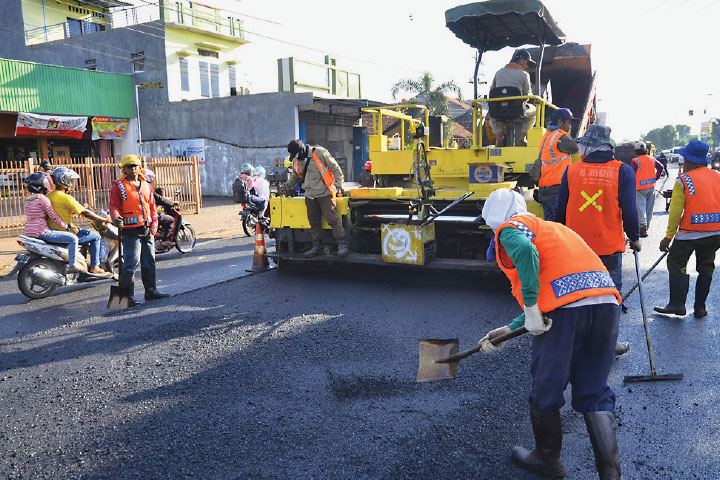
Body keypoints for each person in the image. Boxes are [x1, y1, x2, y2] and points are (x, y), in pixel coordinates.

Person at [478, 188, 622, 480]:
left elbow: (526, 253)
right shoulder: (554, 229)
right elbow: (556, 287)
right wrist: (511, 327)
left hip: (568, 312)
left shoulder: (510, 228)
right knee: (594, 389)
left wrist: (530, 308)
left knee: (547, 385)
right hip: (605, 302)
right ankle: (611, 475)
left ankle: (547, 459)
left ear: (493, 219)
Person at [556, 124, 641, 357]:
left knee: (578, 295)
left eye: (582, 144)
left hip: (576, 249)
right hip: (609, 248)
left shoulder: (571, 171)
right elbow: (630, 212)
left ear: (589, 145)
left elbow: (559, 211)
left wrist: (559, 240)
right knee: (610, 296)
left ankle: (577, 342)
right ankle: (608, 344)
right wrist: (634, 238)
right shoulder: (623, 171)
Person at [654, 140, 720, 318]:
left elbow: (675, 212)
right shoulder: (718, 176)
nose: (683, 162)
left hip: (689, 234)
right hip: (715, 233)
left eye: (685, 158)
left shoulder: (684, 180)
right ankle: (700, 308)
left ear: (690, 160)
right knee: (706, 267)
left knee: (676, 263)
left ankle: (677, 304)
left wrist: (668, 237)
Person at [109, 154, 169, 306]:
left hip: (147, 229)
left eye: (135, 166)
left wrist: (154, 225)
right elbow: (114, 206)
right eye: (129, 166)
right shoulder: (118, 186)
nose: (133, 169)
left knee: (149, 261)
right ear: (124, 169)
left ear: (139, 168)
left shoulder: (146, 185)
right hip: (130, 231)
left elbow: (152, 207)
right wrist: (116, 218)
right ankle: (126, 298)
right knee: (131, 263)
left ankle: (151, 291)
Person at [280, 139, 347, 257]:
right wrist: (286, 186)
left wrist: (340, 186)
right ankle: (317, 247)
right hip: (309, 195)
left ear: (301, 150)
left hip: (325, 193)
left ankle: (342, 244)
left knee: (333, 219)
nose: (295, 158)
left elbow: (336, 168)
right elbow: (296, 176)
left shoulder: (320, 153)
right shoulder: (296, 159)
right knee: (314, 222)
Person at [46, 167, 112, 275]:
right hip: (65, 231)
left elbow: (56, 211)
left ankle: (82, 261)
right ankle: (95, 266)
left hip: (53, 231)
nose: (72, 184)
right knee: (95, 237)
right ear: (64, 180)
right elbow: (85, 213)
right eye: (70, 181)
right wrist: (104, 219)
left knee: (85, 235)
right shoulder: (66, 198)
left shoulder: (48, 196)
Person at [22, 172, 83, 272]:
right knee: (73, 239)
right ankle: (72, 264)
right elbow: (54, 217)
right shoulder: (43, 200)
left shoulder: (28, 200)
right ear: (43, 185)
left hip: (29, 232)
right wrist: (68, 227)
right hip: (42, 232)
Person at [531, 108, 579, 221]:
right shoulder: (560, 137)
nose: (570, 126)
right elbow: (576, 148)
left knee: (551, 224)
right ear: (560, 122)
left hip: (544, 188)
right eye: (568, 122)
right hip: (556, 188)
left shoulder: (546, 136)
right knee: (560, 224)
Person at [489, 49, 537, 146]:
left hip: (498, 110)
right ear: (521, 60)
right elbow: (527, 94)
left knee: (492, 113)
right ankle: (522, 138)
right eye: (527, 62)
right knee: (534, 111)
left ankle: (498, 139)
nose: (527, 65)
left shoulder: (499, 72)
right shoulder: (524, 75)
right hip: (517, 109)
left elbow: (492, 91)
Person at [631, 142, 665, 237]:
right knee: (649, 209)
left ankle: (642, 227)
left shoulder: (635, 161)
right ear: (646, 150)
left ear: (636, 151)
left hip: (639, 189)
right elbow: (661, 167)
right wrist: (655, 178)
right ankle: (647, 227)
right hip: (651, 187)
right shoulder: (652, 159)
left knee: (640, 209)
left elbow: (632, 174)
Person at [142, 168, 177, 246]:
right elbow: (159, 199)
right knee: (170, 220)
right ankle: (165, 240)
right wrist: (172, 203)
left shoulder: (138, 185)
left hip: (141, 214)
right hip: (149, 213)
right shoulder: (146, 187)